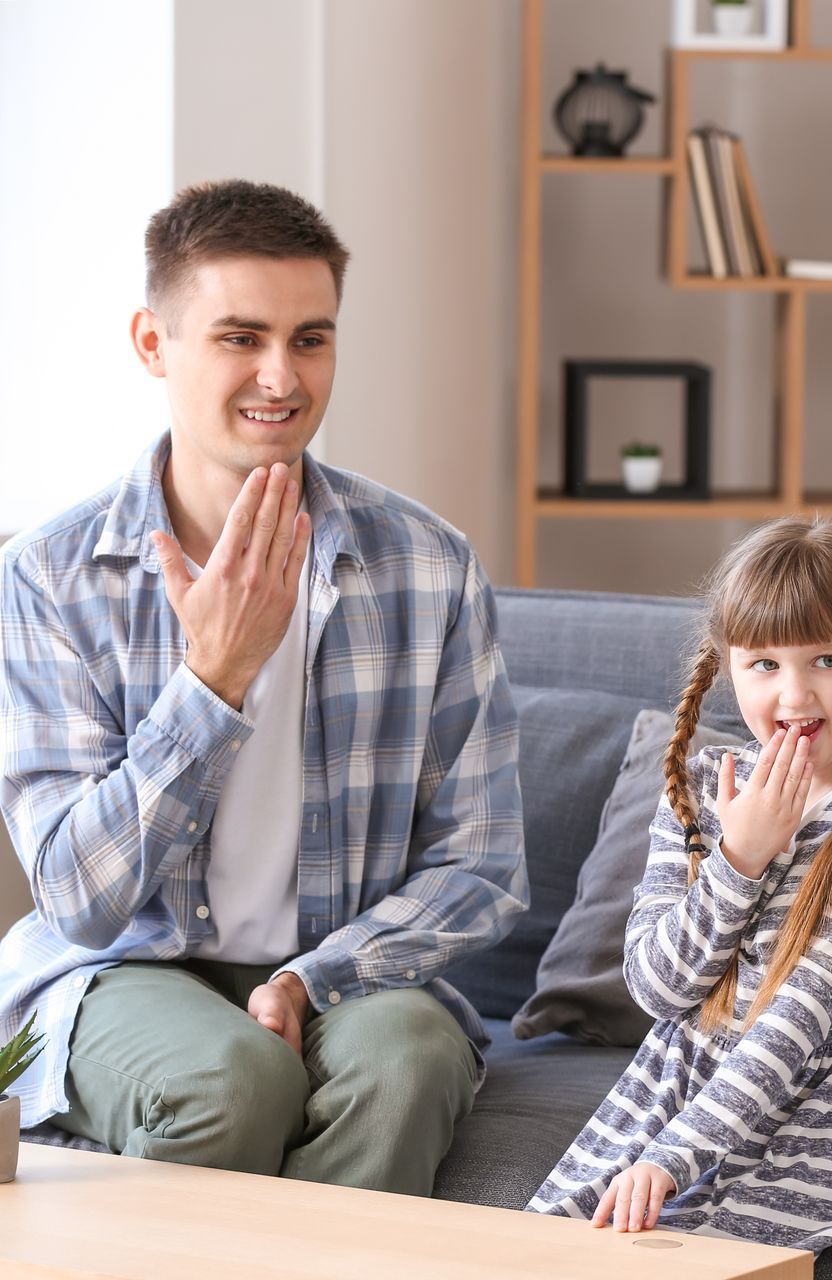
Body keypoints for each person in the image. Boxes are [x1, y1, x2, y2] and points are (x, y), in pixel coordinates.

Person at [0, 179, 527, 1195]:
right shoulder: (48, 575)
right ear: (154, 343)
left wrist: (309, 977)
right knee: (229, 1075)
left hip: (349, 970)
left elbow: (482, 862)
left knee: (410, 1061)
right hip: (127, 970)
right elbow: (77, 893)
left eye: (311, 338)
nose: (280, 376)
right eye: (240, 337)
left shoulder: (430, 564)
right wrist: (213, 679)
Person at [528, 516, 832, 1249]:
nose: (795, 697)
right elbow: (660, 990)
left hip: (828, 1108)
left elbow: (796, 1022)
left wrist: (672, 1159)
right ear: (728, 665)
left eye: (827, 659)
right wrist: (740, 860)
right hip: (680, 1083)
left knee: (695, 1252)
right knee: (542, 1252)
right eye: (764, 663)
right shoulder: (697, 792)